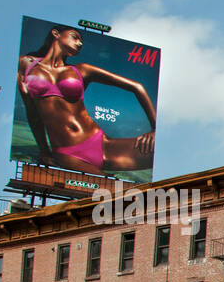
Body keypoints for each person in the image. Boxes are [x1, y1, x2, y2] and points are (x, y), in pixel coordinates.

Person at [16, 25, 157, 174]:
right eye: (74, 37)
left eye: (81, 41)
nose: (80, 43)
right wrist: (44, 151)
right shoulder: (26, 63)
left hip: (102, 143)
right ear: (56, 33)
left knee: (156, 149)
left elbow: (137, 86)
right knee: (108, 190)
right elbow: (32, 114)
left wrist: (155, 129)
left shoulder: (82, 69)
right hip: (66, 152)